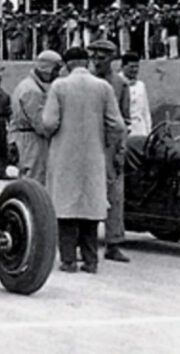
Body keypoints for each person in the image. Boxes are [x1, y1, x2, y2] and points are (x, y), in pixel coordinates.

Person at [42, 47, 126, 274]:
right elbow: (117, 125)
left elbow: (49, 123)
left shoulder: (59, 87)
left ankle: (68, 260)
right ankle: (91, 262)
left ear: (68, 64)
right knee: (91, 208)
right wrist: (107, 143)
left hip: (65, 155)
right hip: (94, 155)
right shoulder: (103, 87)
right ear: (87, 62)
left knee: (65, 207)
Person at [87, 39, 131, 263]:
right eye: (94, 56)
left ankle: (114, 243)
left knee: (114, 196)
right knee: (86, 193)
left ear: (112, 59)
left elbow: (125, 120)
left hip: (110, 146)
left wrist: (120, 150)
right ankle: (84, 242)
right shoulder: (85, 81)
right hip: (87, 144)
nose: (97, 61)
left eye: (102, 57)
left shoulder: (120, 84)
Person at [8, 50, 62, 185]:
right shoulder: (32, 91)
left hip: (25, 138)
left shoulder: (27, 85)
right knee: (34, 179)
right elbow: (40, 124)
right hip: (31, 141)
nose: (57, 74)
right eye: (55, 69)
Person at [120, 52, 152, 137]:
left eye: (137, 67)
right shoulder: (118, 83)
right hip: (125, 131)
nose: (134, 70)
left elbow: (145, 110)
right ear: (123, 67)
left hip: (140, 129)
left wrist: (148, 131)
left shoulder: (141, 85)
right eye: (131, 67)